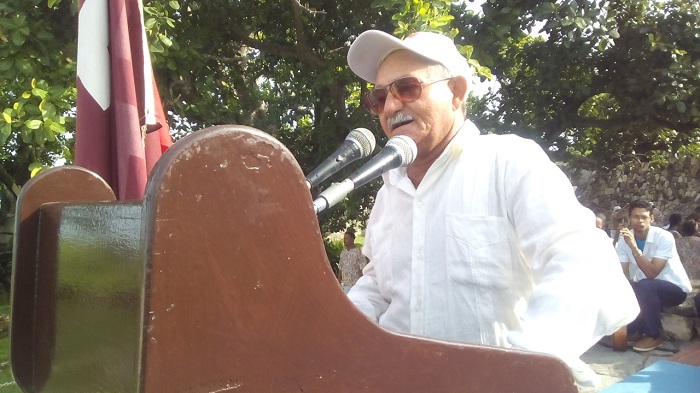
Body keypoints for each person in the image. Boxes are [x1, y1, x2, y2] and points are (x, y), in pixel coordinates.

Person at [345, 30, 638, 387]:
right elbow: (378, 284)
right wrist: (336, 332)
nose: (391, 106)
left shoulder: (508, 162)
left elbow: (583, 261)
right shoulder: (388, 193)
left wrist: (524, 366)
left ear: (456, 92)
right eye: (378, 97)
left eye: (406, 88)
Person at [615, 200, 692, 352]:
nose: (640, 221)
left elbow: (652, 273)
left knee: (645, 284)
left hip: (673, 288)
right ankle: (633, 329)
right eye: (636, 217)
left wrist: (634, 248)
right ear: (629, 219)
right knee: (626, 286)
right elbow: (621, 273)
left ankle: (654, 335)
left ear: (652, 219)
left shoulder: (664, 237)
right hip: (645, 288)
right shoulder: (624, 239)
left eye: (644, 217)